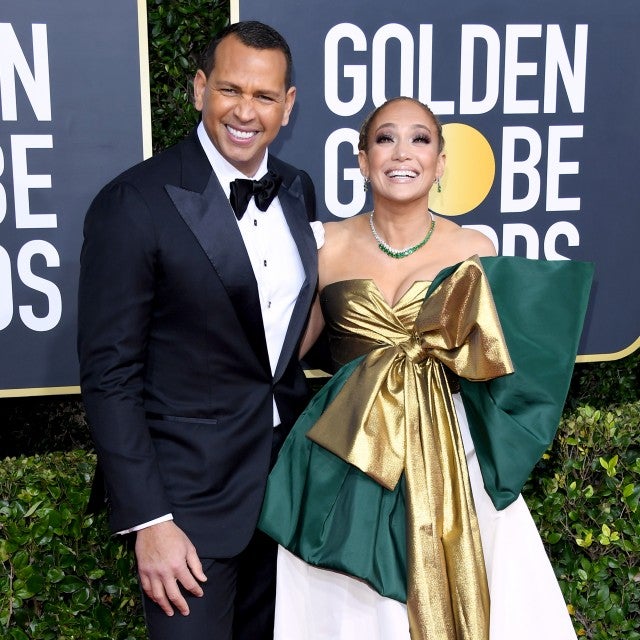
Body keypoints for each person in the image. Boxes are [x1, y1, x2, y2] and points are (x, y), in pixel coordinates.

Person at [259, 97, 592, 639]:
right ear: (363, 160)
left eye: (420, 139)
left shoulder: (474, 247)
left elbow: (499, 369)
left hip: (451, 453)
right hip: (350, 456)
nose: (402, 152)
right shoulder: (325, 244)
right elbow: (284, 355)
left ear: (440, 163)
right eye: (385, 138)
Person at [78, 21, 318, 640]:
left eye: (264, 96)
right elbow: (110, 377)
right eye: (229, 90)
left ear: (288, 106)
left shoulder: (295, 189)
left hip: (284, 491)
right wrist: (150, 521)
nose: (245, 111)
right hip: (187, 508)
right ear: (198, 89)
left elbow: (279, 342)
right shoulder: (134, 202)